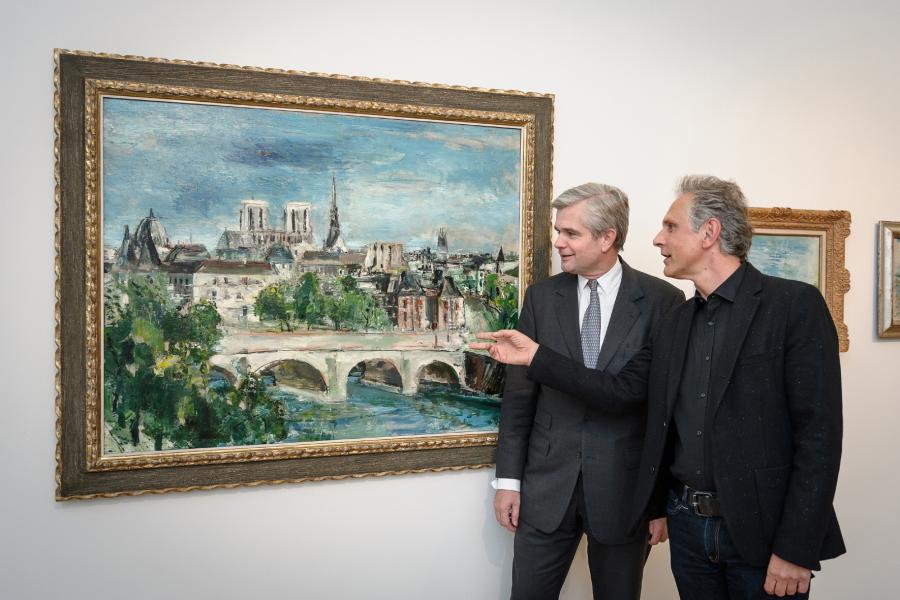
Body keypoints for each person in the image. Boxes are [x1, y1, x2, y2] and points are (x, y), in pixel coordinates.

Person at [475, 175, 845, 599]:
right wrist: (660, 507)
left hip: (755, 533)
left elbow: (819, 437)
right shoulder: (681, 319)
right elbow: (631, 396)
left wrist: (797, 548)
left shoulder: (789, 306)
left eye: (670, 227)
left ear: (709, 233)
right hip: (687, 528)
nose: (656, 238)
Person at [484, 182, 684, 600]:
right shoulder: (541, 297)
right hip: (545, 489)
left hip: (625, 494)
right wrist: (508, 481)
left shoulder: (663, 301)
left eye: (570, 233)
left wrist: (658, 502)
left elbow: (663, 411)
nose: (559, 243)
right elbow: (519, 398)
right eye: (559, 231)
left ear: (607, 237)